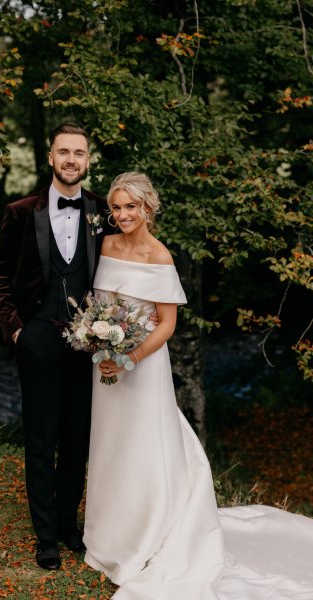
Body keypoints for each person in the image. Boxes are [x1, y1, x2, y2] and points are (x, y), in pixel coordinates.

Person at [83, 171, 313, 599]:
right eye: (116, 207)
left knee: (143, 444)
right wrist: (97, 339)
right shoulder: (106, 246)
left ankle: (148, 534)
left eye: (130, 206)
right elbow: (101, 306)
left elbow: (168, 324)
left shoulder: (159, 255)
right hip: (106, 367)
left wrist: (128, 357)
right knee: (110, 444)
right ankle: (107, 535)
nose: (122, 214)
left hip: (142, 366)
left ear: (147, 207)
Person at [0, 123, 114, 571]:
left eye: (80, 152)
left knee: (78, 439)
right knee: (41, 440)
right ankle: (45, 537)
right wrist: (17, 330)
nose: (72, 160)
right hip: (36, 339)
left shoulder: (102, 210)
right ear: (51, 157)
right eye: (64, 152)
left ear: (88, 160)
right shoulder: (21, 212)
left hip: (87, 344)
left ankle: (67, 525)